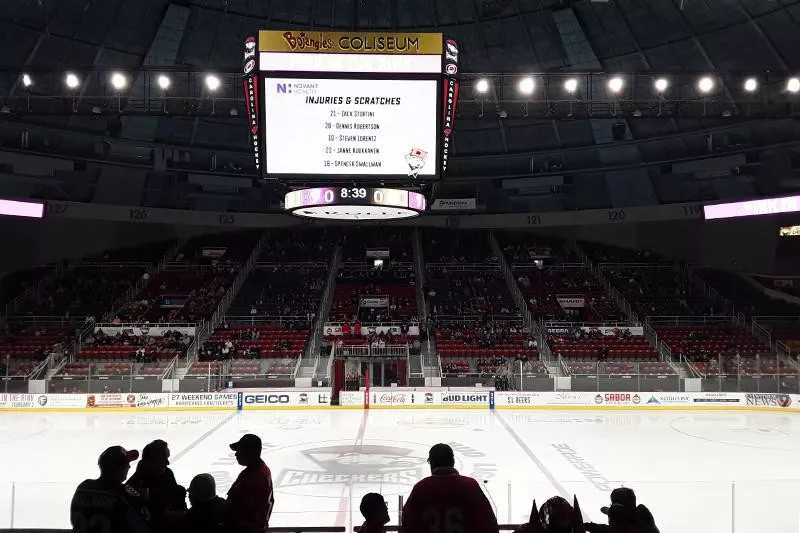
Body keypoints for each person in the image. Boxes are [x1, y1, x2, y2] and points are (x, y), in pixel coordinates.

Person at [402, 443, 498, 533]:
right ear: (453, 461)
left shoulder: (421, 488)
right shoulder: (470, 486)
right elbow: (488, 522)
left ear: (431, 463)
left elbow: (408, 523)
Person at [70, 446, 150, 533]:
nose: (129, 467)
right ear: (118, 468)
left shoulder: (83, 487)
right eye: (126, 463)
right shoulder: (123, 492)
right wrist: (142, 500)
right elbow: (142, 526)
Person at [126, 440, 186, 533]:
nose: (167, 463)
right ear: (150, 461)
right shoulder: (134, 486)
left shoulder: (167, 474)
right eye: (163, 459)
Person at [228, 433, 275, 533]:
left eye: (239, 451)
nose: (236, 454)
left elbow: (246, 516)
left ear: (250, 453)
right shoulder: (259, 470)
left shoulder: (255, 478)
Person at [584, 488, 658, 533]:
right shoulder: (643, 517)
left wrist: (586, 526)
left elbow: (609, 530)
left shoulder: (622, 526)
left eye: (612, 505)